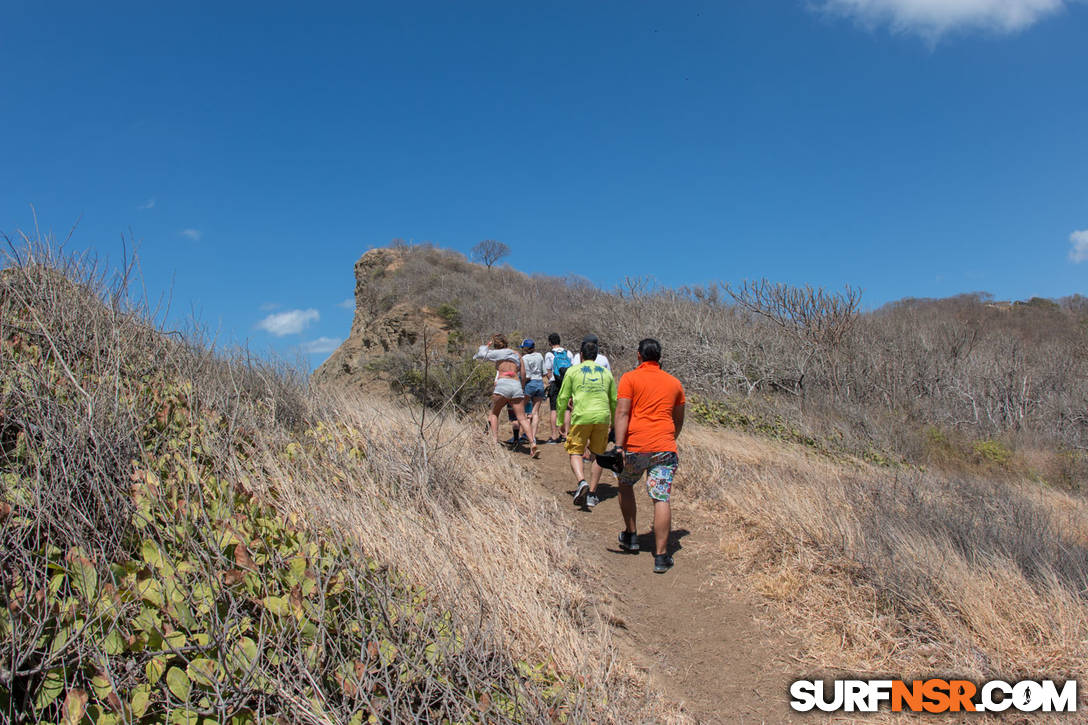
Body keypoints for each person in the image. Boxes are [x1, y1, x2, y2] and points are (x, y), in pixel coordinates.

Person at [613, 338, 685, 574]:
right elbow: (678, 420)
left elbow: (623, 413)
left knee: (624, 484)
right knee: (661, 497)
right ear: (660, 358)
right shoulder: (675, 384)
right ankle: (661, 556)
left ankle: (631, 535)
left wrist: (619, 446)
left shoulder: (630, 378)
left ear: (638, 356)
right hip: (664, 446)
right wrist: (668, 438)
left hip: (636, 444)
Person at [555, 339, 617, 509]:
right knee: (598, 454)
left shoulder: (573, 371)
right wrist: (614, 422)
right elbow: (613, 400)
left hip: (581, 417)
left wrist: (560, 421)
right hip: (602, 417)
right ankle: (592, 493)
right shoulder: (606, 373)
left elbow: (562, 398)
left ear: (581, 355)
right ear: (596, 356)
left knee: (575, 450)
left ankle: (582, 482)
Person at [474, 334, 538, 458]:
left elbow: (481, 354)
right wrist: (522, 387)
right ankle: (532, 443)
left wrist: (487, 345)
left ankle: (494, 441)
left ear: (496, 345)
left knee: (494, 413)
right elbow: (523, 374)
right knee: (522, 417)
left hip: (502, 384)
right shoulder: (517, 354)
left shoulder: (496, 354)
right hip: (515, 384)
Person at [543, 333, 573, 443]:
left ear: (550, 342)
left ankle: (554, 436)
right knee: (566, 409)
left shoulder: (549, 354)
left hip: (555, 384)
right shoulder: (568, 353)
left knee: (554, 409)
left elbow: (548, 370)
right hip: (567, 383)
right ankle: (566, 434)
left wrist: (551, 379)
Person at [520, 339, 547, 443]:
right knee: (535, 412)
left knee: (522, 411)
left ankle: (523, 435)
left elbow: (526, 376)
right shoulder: (540, 356)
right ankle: (533, 437)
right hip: (539, 383)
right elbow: (544, 372)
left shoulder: (524, 358)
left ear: (525, 348)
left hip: (529, 384)